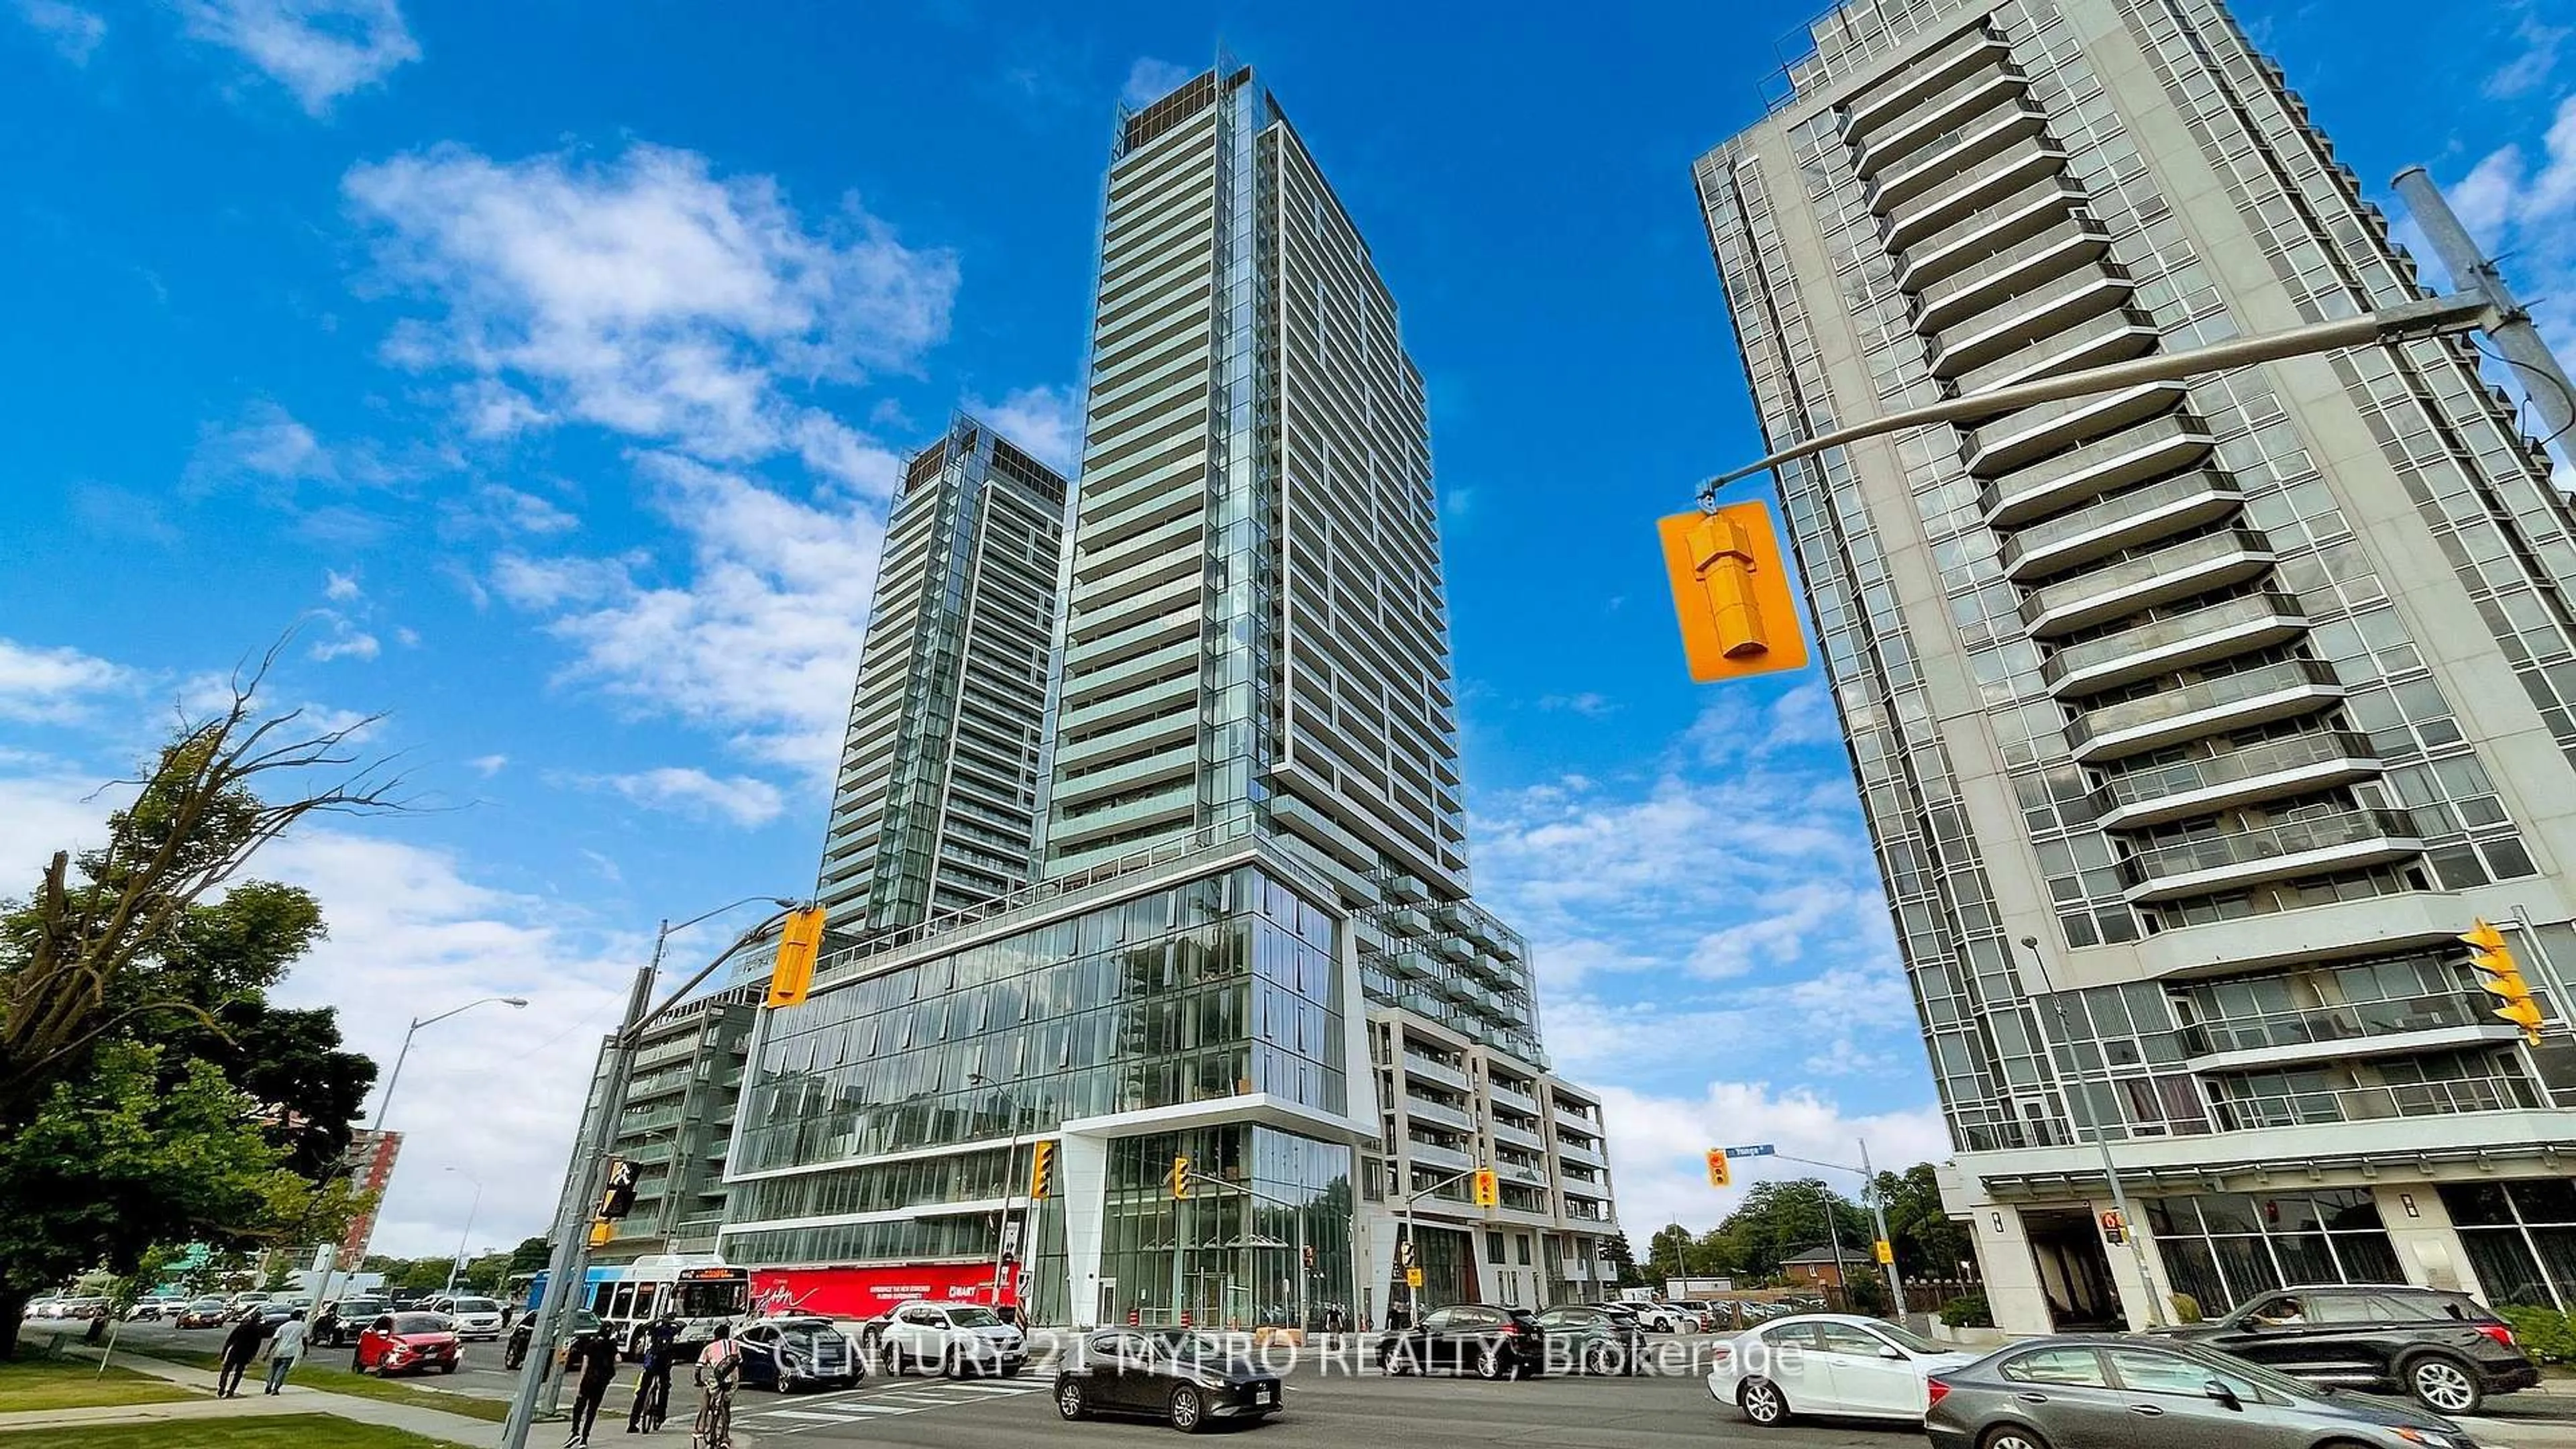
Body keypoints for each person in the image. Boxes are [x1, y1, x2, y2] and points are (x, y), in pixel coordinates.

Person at [626, 1311, 684, 1434]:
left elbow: (646, 1326)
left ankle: (633, 1422)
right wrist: (666, 1322)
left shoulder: (656, 1329)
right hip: (662, 1364)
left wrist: (660, 1321)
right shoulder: (670, 1330)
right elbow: (681, 1325)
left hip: (653, 1364)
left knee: (643, 1391)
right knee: (664, 1388)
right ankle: (660, 1415)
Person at [564, 1325, 621, 1448]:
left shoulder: (591, 1345)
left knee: (579, 1406)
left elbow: (585, 1366)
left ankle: (575, 1432)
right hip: (602, 1382)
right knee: (592, 1409)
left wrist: (579, 1384)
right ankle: (584, 1439)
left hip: (589, 1380)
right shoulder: (611, 1346)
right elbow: (619, 1359)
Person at [693, 1324, 741, 1449]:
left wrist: (698, 1381)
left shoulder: (709, 1348)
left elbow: (698, 1369)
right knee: (726, 1406)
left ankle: (702, 1426)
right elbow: (739, 1361)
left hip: (717, 1378)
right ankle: (725, 1437)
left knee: (707, 1393)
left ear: (715, 1336)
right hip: (732, 1379)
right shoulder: (735, 1344)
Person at [217, 1313, 272, 1399]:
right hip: (246, 1353)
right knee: (238, 1372)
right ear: (258, 1320)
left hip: (235, 1350)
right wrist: (252, 1356)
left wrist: (224, 1353)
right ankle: (231, 1390)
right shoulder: (257, 1330)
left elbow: (230, 1340)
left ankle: (222, 1386)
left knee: (226, 1370)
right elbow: (257, 1345)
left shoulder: (241, 1327)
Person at [263, 1309, 310, 1395]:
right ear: (300, 1317)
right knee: (283, 1370)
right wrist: (306, 1349)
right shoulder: (302, 1326)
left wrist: (268, 1352)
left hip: (279, 1350)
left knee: (273, 1369)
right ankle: (276, 1388)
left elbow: (275, 1340)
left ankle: (269, 1385)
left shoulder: (284, 1326)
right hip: (290, 1351)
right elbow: (305, 1339)